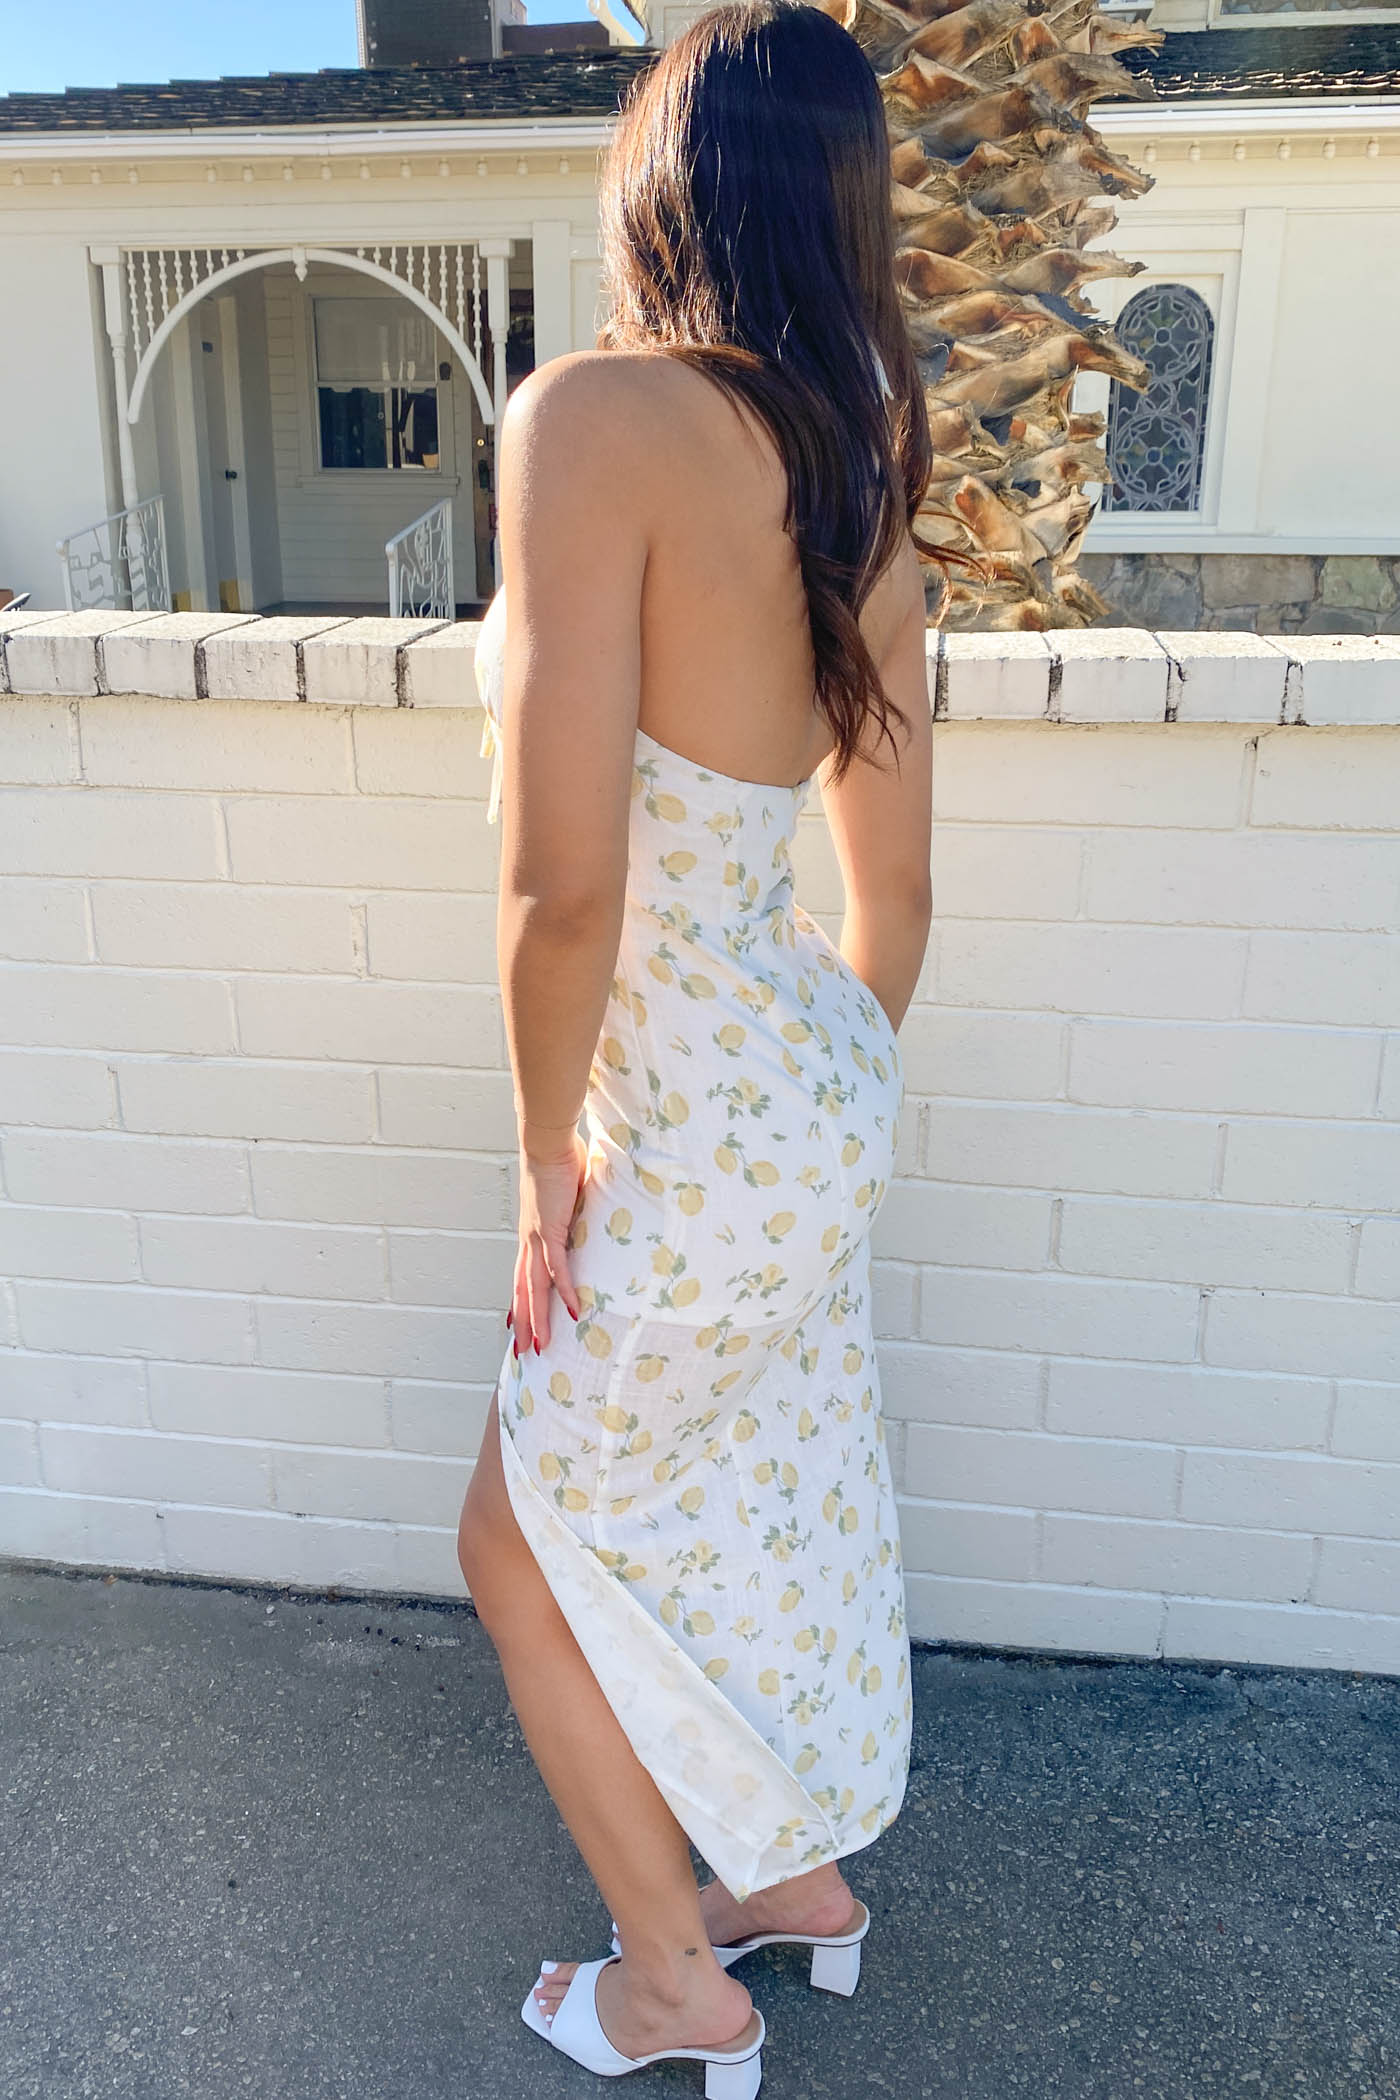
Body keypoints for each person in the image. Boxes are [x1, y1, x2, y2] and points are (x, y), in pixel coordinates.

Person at [456, 1, 936, 2088]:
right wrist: (790, 1111)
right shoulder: (871, 506)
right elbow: (888, 912)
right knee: (753, 1492)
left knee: (511, 1541)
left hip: (675, 1127)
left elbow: (563, 893)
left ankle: (675, 1977)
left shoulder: (597, 420)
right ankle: (795, 1883)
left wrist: (542, 1156)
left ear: (659, 179)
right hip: (814, 1099)